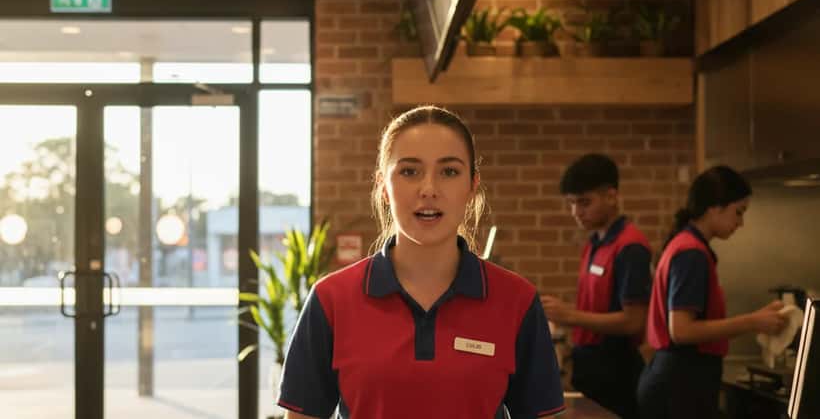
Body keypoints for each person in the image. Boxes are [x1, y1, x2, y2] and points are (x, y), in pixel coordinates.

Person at [277, 106, 566, 419]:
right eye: (409, 171)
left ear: (472, 186)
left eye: (449, 172)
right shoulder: (331, 299)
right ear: (383, 187)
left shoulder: (517, 300)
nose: (429, 189)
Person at [637, 165, 787, 419]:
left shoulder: (686, 245)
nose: (741, 223)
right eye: (738, 212)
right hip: (680, 383)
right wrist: (753, 321)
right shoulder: (691, 253)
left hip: (673, 378)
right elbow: (682, 330)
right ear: (715, 207)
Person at [541, 153, 652, 419]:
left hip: (616, 370)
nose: (576, 212)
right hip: (590, 366)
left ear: (611, 196)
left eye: (584, 202)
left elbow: (634, 321)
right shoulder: (595, 242)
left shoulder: (630, 247)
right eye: (571, 203)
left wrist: (570, 316)